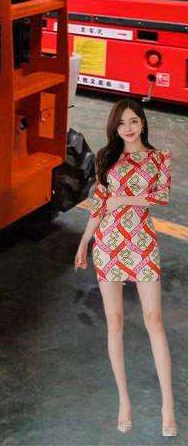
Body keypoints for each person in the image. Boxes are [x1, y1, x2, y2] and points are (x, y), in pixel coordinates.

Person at [74, 99, 176, 436]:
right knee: (114, 321)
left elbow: (162, 196)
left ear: (143, 123)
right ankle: (124, 401)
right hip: (109, 244)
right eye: (121, 124)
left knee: (154, 320)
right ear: (114, 128)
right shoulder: (106, 157)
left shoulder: (159, 158)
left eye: (133, 121)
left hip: (142, 243)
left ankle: (167, 406)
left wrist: (126, 199)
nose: (127, 129)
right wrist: (84, 241)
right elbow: (99, 204)